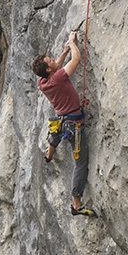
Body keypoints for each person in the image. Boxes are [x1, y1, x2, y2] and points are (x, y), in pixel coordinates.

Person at [32, 31, 98, 218]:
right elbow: (76, 60)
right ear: (49, 70)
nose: (53, 59)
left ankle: (50, 151)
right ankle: (76, 205)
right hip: (73, 124)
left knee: (58, 127)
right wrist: (72, 44)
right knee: (81, 163)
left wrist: (63, 52)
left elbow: (57, 66)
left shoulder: (42, 81)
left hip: (62, 118)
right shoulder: (58, 78)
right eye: (50, 60)